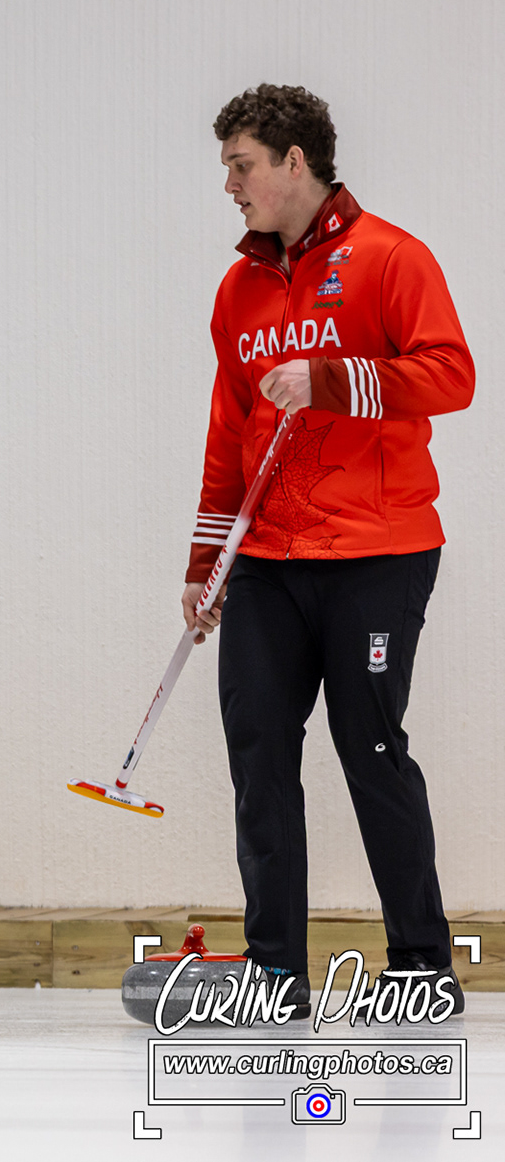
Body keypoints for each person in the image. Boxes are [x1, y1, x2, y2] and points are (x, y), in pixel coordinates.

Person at [186, 85, 474, 1015]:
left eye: (241, 165)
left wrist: (330, 379)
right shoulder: (239, 290)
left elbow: (451, 374)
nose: (230, 184)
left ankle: (422, 965)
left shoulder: (391, 257)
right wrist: (206, 561)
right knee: (259, 753)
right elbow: (229, 429)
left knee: (371, 747)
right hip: (268, 561)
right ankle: (276, 973)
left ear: (294, 161)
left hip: (376, 554)